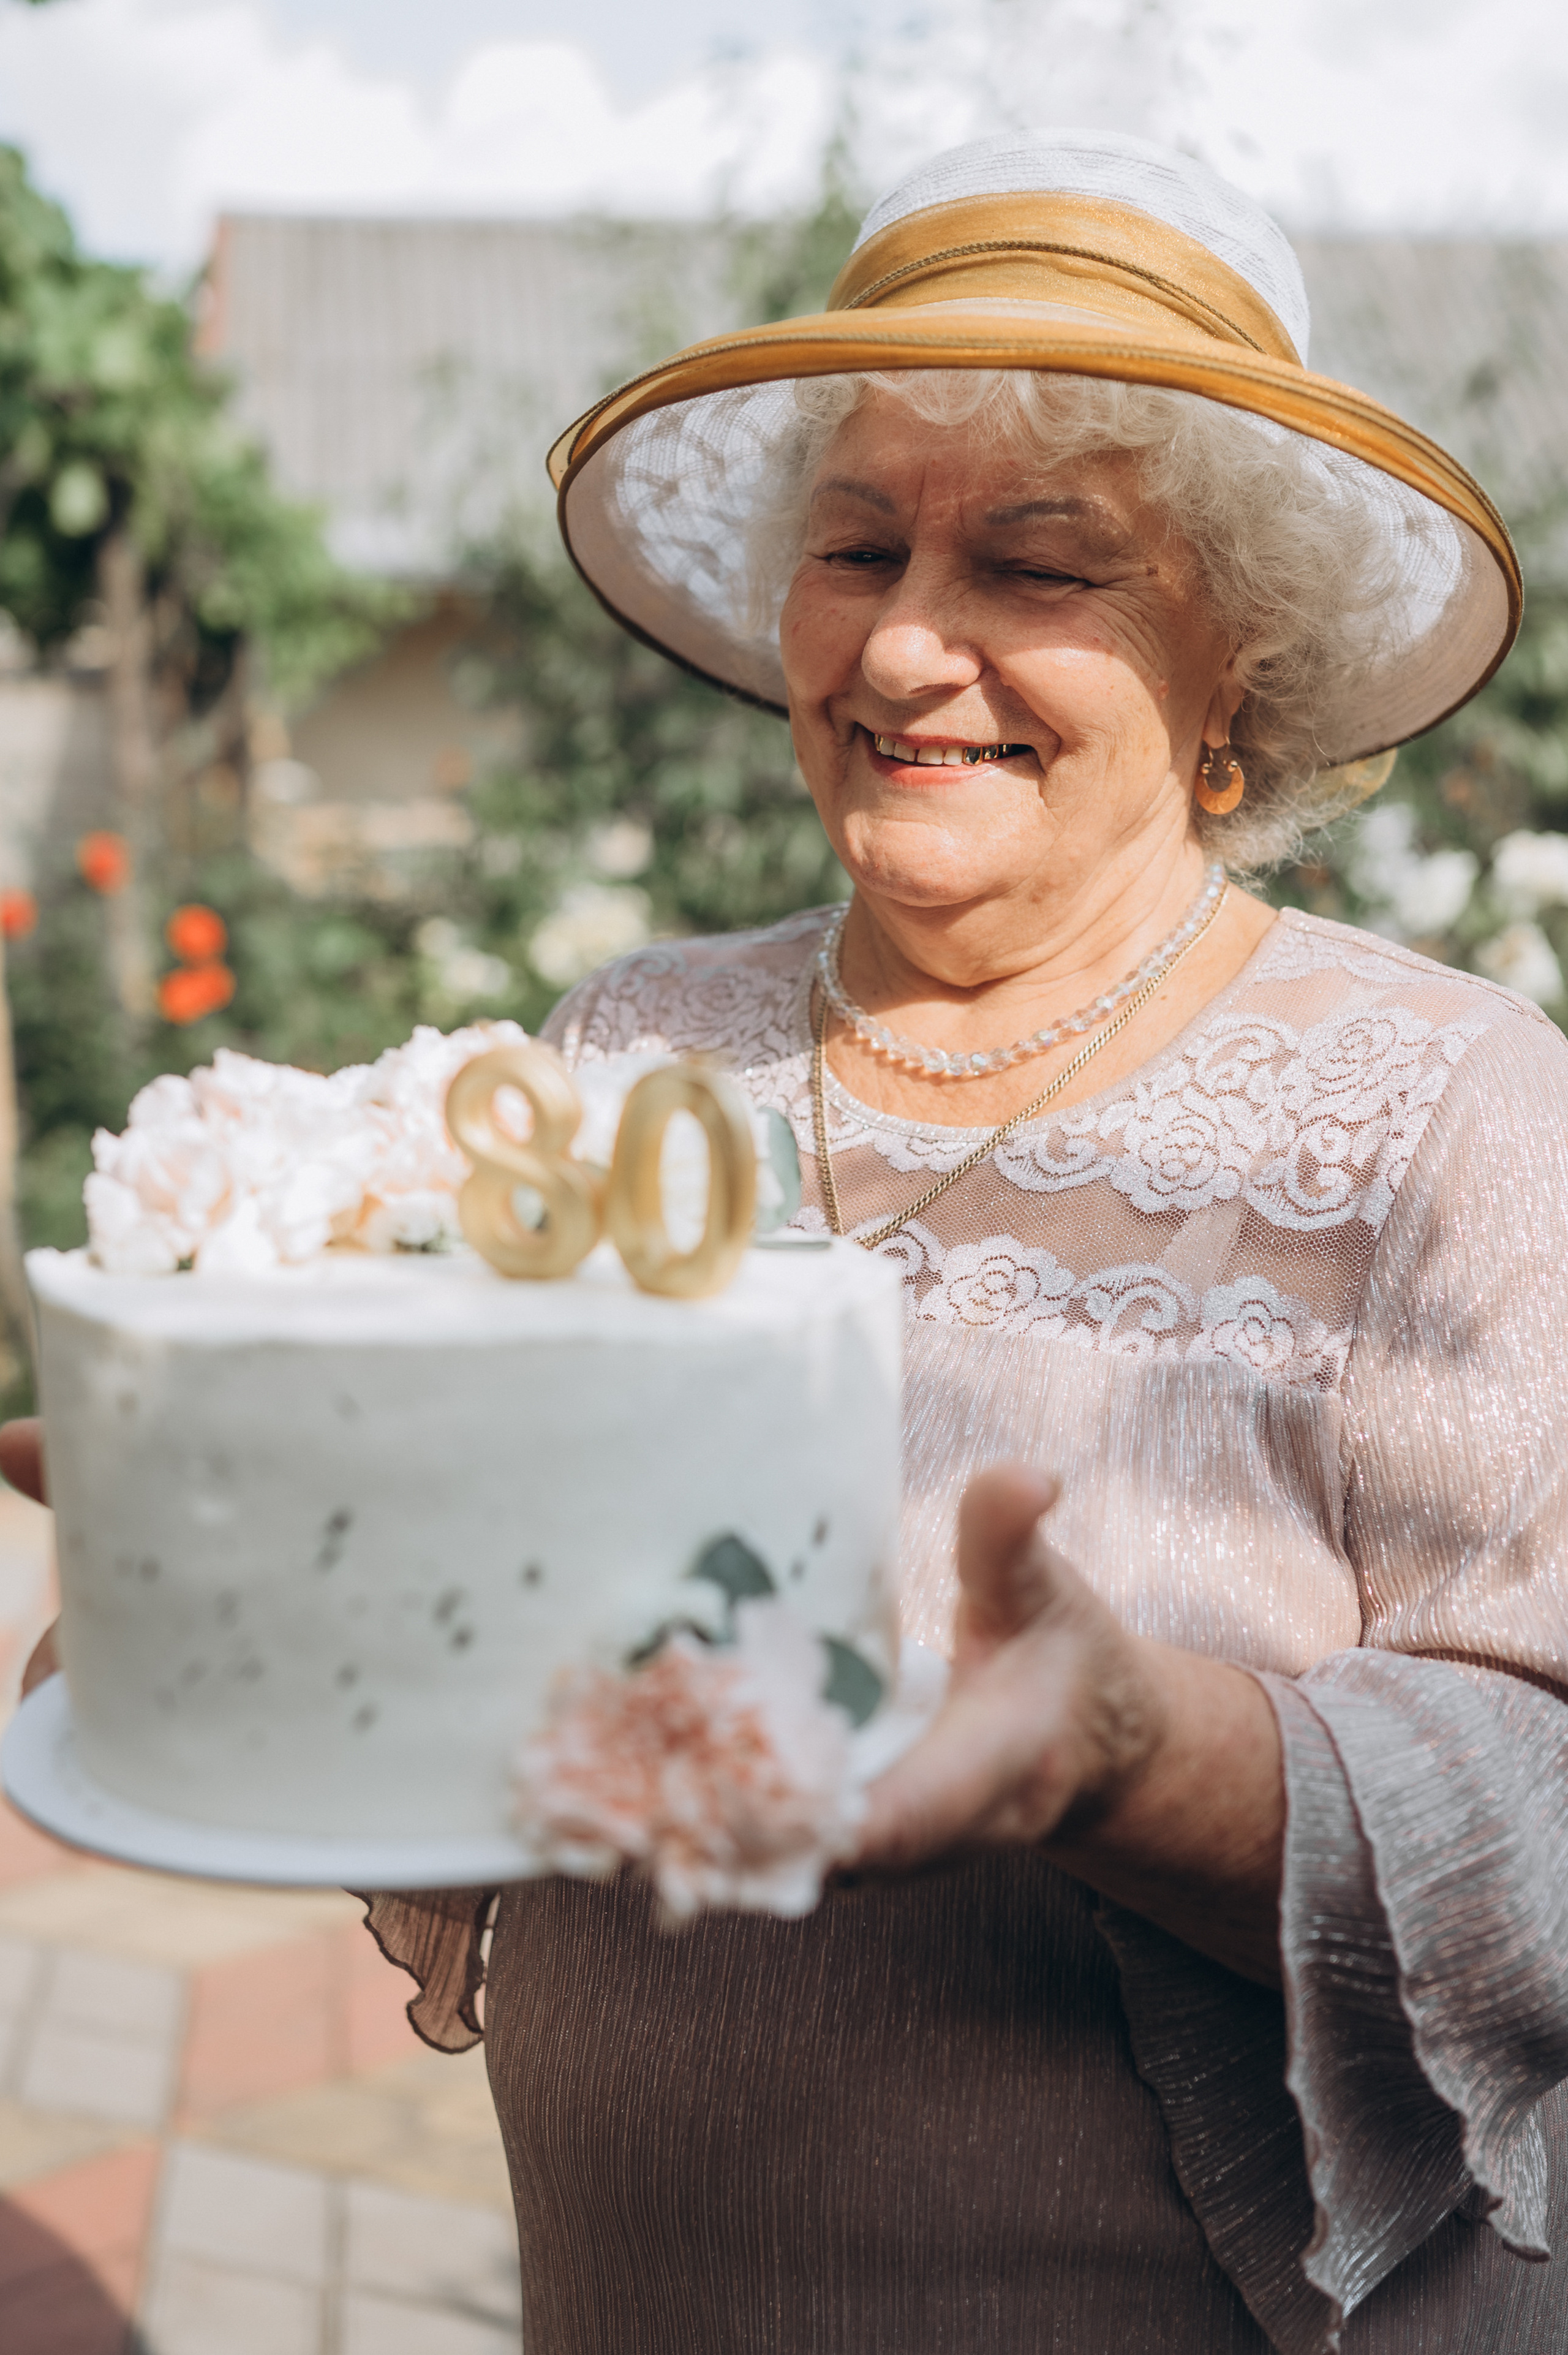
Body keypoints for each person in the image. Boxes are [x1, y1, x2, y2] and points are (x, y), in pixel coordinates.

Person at [13, 129, 1568, 2352]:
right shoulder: (635, 1048)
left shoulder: (1452, 1110)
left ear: (1240, 660)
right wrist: (261, 1590)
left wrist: (1139, 1757)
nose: (908, 640)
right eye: (858, 544)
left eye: (1037, 562)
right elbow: (495, 1656)